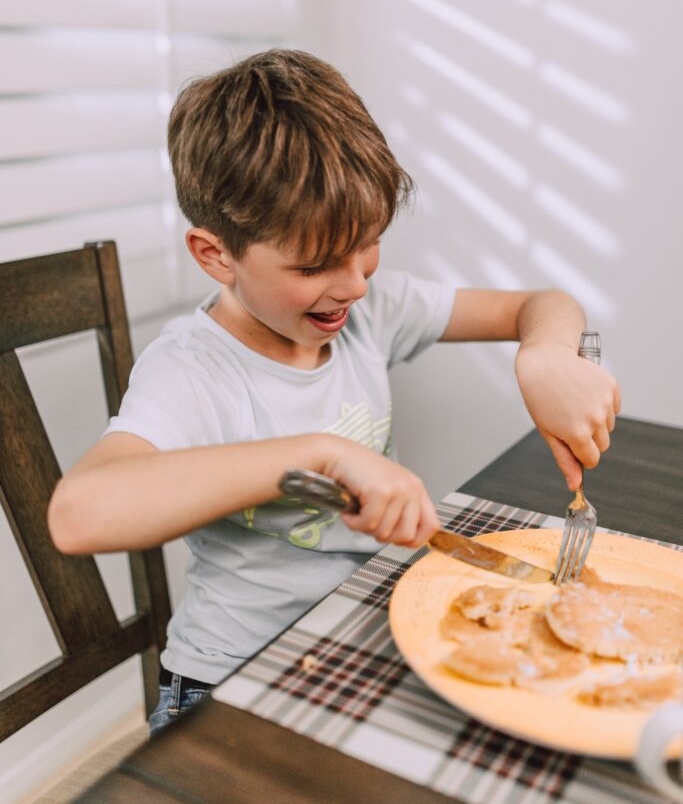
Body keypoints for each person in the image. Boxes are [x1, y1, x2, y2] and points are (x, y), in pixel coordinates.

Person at [47, 49, 621, 734]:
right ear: (216, 255)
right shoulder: (194, 368)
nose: (353, 283)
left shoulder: (369, 309)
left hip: (356, 635)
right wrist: (317, 453)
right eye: (317, 264)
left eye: (368, 245)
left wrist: (544, 357)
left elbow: (542, 302)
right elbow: (78, 516)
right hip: (229, 682)